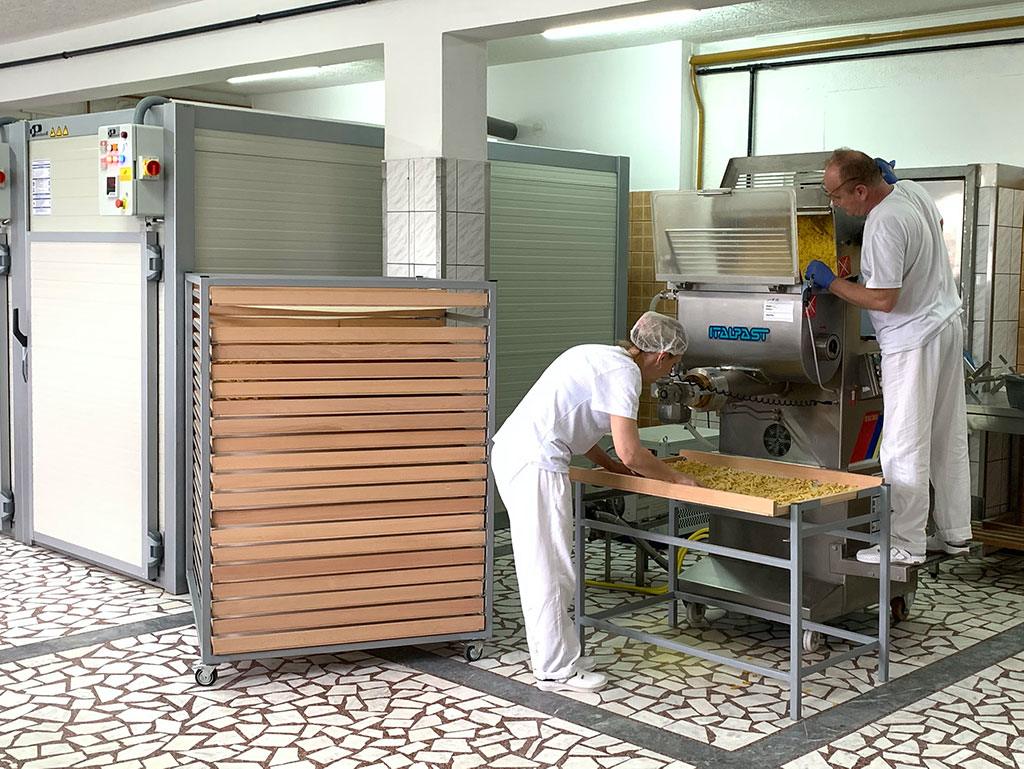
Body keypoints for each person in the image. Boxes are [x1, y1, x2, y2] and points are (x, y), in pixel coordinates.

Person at [490, 312, 700, 693]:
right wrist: (678, 479)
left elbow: (579, 426)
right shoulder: (626, 375)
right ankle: (556, 670)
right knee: (550, 570)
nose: (667, 374)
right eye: (672, 365)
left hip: (519, 454)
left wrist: (610, 466)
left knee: (552, 565)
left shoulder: (597, 355)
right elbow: (633, 452)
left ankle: (561, 654)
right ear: (663, 355)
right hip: (535, 464)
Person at [805, 148, 972, 565]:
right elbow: (933, 224)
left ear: (862, 189)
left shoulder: (882, 223)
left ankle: (905, 543)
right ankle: (954, 532)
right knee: (946, 434)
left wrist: (832, 283)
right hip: (945, 323)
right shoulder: (911, 192)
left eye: (838, 197)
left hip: (913, 340)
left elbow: (883, 299)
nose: (836, 205)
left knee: (903, 444)